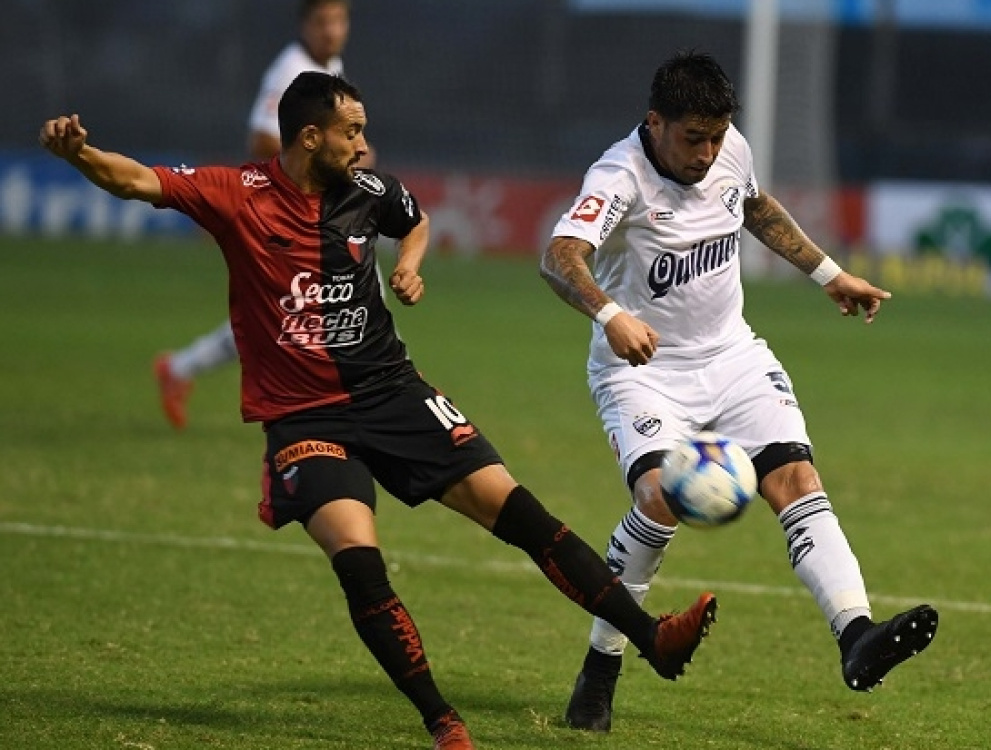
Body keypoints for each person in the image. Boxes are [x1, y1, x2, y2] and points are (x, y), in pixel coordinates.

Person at [39, 72, 720, 750]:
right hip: (305, 418)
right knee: (360, 564)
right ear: (312, 137)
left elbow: (414, 221)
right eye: (352, 132)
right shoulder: (238, 193)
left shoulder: (368, 190)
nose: (363, 146)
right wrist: (79, 154)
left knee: (521, 514)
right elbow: (137, 180)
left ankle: (652, 638)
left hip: (393, 393)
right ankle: (442, 722)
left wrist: (409, 264)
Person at [539, 50, 939, 733]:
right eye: (693, 138)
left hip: (732, 357)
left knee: (796, 479)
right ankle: (601, 669)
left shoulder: (729, 150)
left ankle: (856, 635)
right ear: (655, 123)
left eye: (717, 137)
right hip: (644, 369)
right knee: (658, 499)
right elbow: (558, 256)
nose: (707, 153)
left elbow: (754, 207)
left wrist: (830, 275)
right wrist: (611, 316)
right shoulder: (619, 176)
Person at [153, 0, 374, 430]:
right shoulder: (291, 70)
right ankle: (389, 390)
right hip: (287, 211)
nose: (332, 29)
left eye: (339, 19)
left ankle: (179, 368)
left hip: (321, 208)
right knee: (346, 298)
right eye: (322, 21)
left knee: (286, 313)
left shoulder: (330, 67)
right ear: (304, 26)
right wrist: (330, 159)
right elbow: (261, 138)